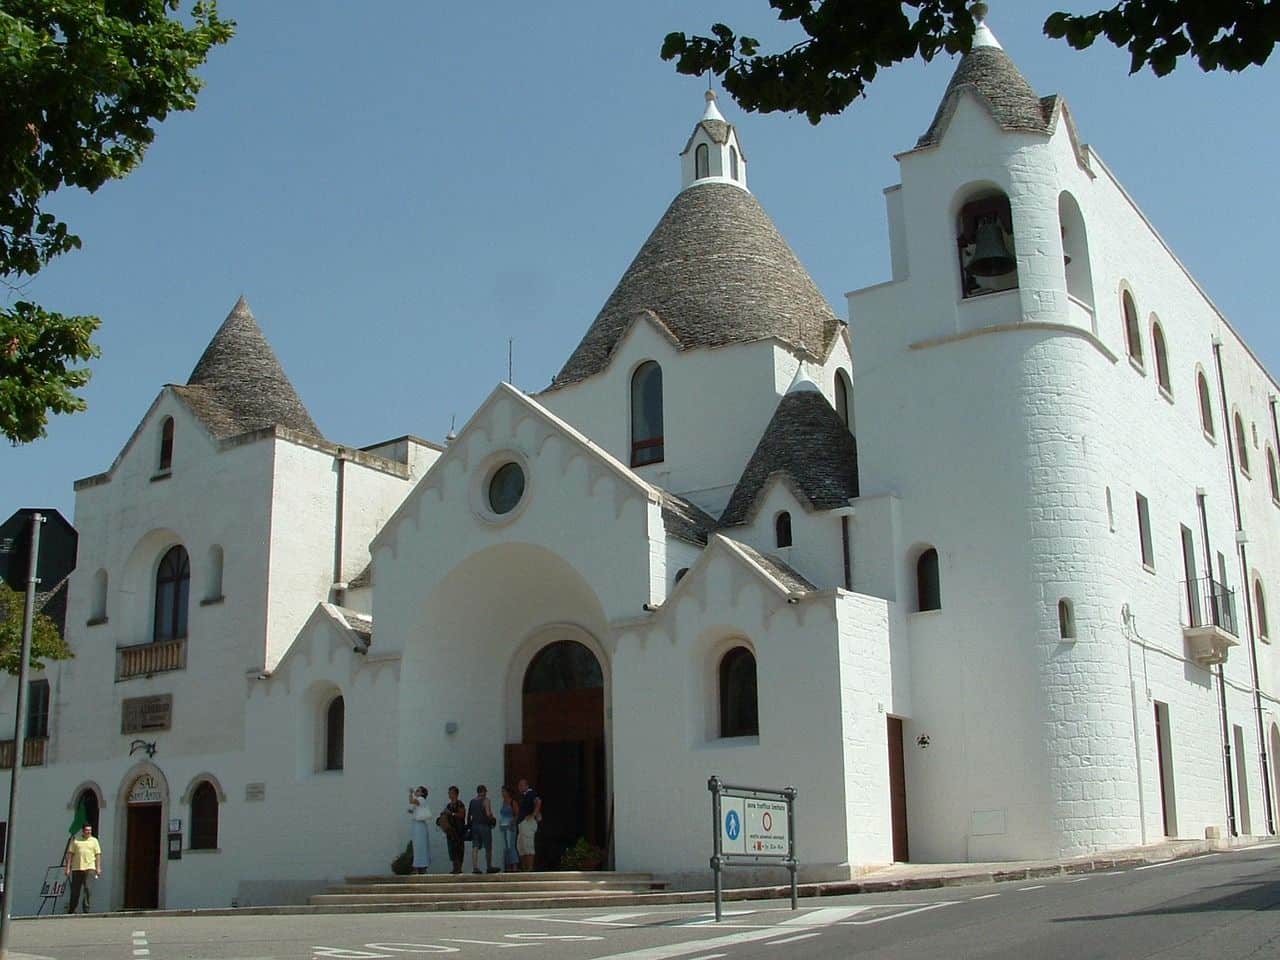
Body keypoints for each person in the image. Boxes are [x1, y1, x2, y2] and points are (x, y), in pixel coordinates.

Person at [63, 823, 102, 913]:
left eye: (90, 830)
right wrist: (68, 868)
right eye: (87, 830)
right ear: (83, 831)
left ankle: (86, 909)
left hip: (90, 868)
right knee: (75, 891)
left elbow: (98, 854)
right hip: (77, 868)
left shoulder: (94, 841)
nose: (89, 832)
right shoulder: (76, 840)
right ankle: (72, 909)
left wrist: (98, 867)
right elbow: (70, 854)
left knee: (88, 889)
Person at [467, 784, 498, 874]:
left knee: (475, 846)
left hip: (474, 826)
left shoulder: (472, 801)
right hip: (484, 825)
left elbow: (469, 815)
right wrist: (492, 819)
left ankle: (475, 867)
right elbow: (488, 813)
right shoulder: (486, 800)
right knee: (488, 846)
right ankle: (489, 866)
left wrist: (469, 826)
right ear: (484, 791)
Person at [515, 777, 541, 872]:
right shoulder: (523, 796)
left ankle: (530, 868)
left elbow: (538, 802)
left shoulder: (531, 793)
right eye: (519, 785)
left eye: (522, 785)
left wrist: (533, 814)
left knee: (528, 845)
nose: (520, 787)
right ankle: (524, 868)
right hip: (522, 823)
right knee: (521, 846)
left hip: (528, 823)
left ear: (526, 785)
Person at [407, 785, 432, 874]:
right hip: (418, 826)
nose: (416, 792)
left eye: (418, 791)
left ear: (422, 793)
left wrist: (410, 793)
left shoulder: (421, 799)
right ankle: (420, 867)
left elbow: (411, 801)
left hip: (419, 827)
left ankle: (418, 867)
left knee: (419, 847)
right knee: (419, 847)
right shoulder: (421, 801)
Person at [442, 785, 467, 875]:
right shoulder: (448, 805)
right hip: (450, 831)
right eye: (449, 793)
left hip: (458, 830)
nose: (450, 795)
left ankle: (459, 868)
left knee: (459, 850)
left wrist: (451, 814)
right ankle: (454, 868)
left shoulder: (460, 804)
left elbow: (462, 815)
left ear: (456, 794)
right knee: (452, 850)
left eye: (451, 793)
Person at [497, 785, 519, 873]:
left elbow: (517, 814)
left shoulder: (512, 802)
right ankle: (508, 866)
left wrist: (513, 821)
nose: (502, 793)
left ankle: (514, 866)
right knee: (506, 847)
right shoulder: (503, 802)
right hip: (504, 827)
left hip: (511, 826)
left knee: (511, 846)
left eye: (504, 791)